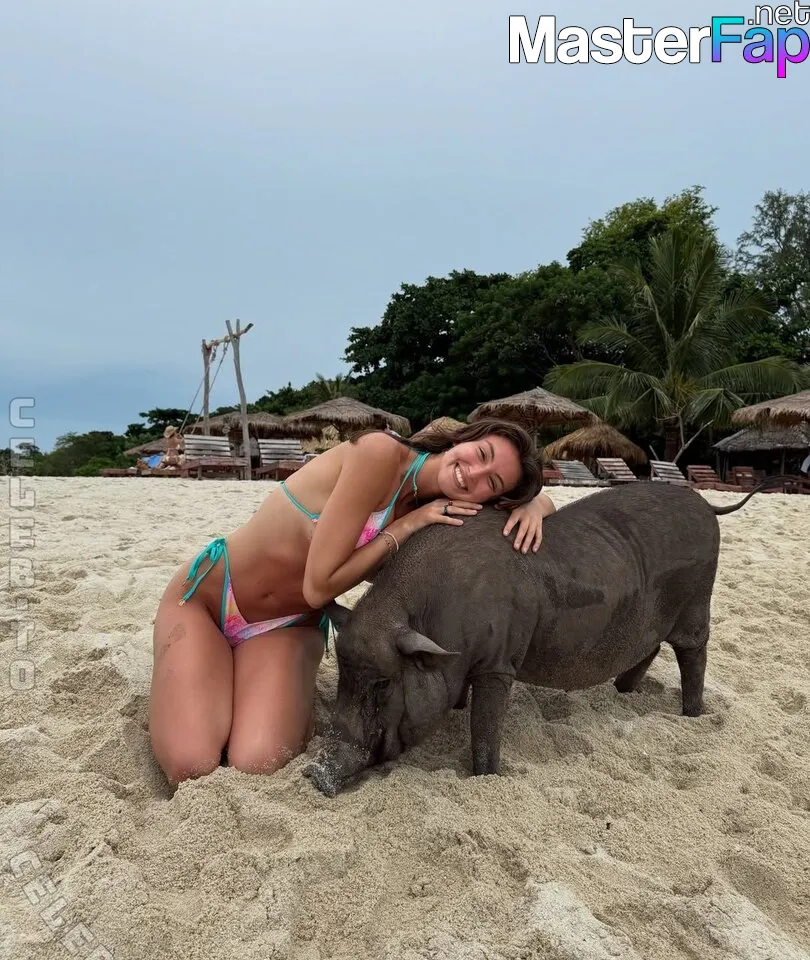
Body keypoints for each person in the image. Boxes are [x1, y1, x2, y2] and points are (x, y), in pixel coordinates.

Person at [148, 418, 556, 784]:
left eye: (492, 482)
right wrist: (405, 526)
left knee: (257, 762)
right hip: (211, 600)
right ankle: (212, 671)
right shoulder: (381, 454)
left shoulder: (440, 513)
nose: (474, 474)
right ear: (463, 439)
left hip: (286, 627)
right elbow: (317, 587)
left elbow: (545, 508)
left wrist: (534, 504)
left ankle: (247, 683)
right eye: (481, 454)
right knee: (190, 764)